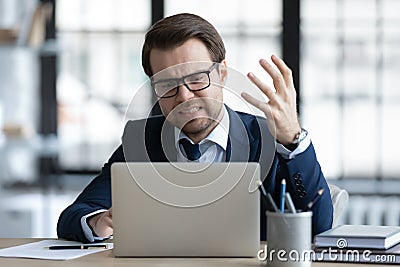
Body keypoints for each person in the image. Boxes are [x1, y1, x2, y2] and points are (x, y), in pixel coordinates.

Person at [57, 13, 333, 243]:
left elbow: (320, 227)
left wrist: (293, 140)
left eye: (197, 79)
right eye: (167, 84)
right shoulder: (143, 141)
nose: (184, 96)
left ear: (222, 74)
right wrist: (100, 220)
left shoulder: (266, 139)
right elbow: (73, 216)